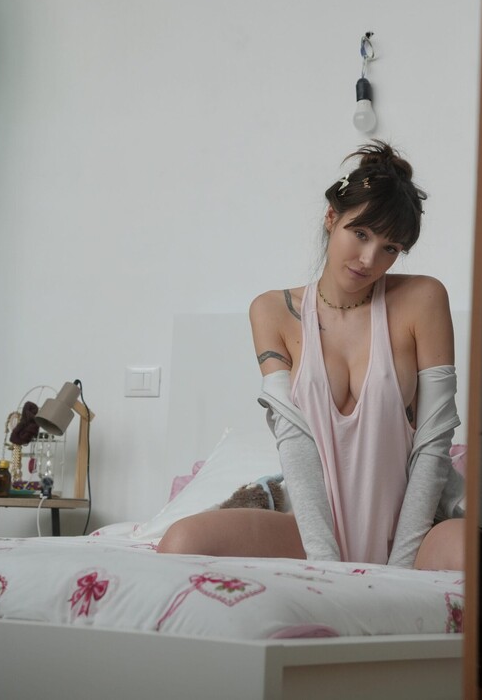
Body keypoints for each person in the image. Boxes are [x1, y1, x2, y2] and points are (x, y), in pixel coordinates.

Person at [158, 142, 465, 568]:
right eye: (361, 234)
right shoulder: (272, 311)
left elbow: (433, 441)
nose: (369, 259)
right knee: (181, 541)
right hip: (309, 531)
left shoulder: (423, 299)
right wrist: (324, 566)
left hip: (410, 530)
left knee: (478, 553)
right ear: (331, 217)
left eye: (390, 248)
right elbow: (295, 442)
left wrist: (400, 568)